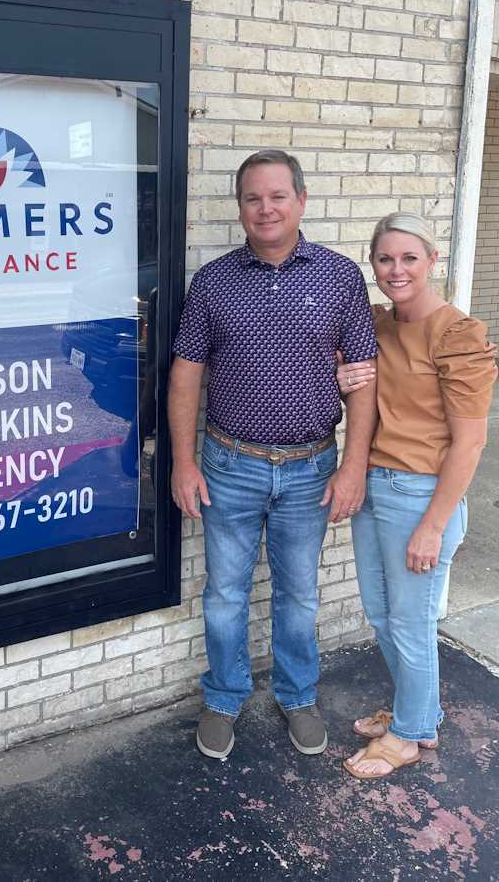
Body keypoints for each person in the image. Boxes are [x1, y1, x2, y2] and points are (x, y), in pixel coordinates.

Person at [169, 149, 378, 761]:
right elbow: (186, 377)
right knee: (225, 594)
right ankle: (224, 697)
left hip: (312, 469)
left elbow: (364, 380)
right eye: (252, 198)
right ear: (240, 208)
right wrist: (184, 462)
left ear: (301, 201)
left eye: (277, 195)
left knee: (300, 595)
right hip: (229, 465)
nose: (265, 208)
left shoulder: (340, 278)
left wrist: (354, 465)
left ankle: (298, 695)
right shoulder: (214, 282)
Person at [335, 212, 496, 779]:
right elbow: (356, 383)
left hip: (422, 496)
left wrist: (434, 523)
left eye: (408, 258)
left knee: (411, 623)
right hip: (377, 485)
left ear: (433, 261)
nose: (395, 269)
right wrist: (340, 377)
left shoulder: (458, 335)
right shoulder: (379, 323)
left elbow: (470, 441)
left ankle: (406, 736)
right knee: (383, 614)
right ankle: (418, 715)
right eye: (385, 259)